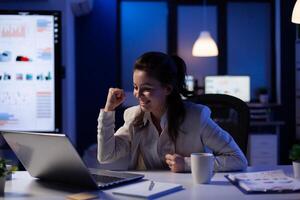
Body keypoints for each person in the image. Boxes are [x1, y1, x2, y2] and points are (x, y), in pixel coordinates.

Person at [97, 52, 248, 172]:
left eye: (147, 89)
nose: (138, 94)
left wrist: (187, 164)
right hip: (148, 194)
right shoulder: (134, 117)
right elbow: (106, 156)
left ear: (167, 89)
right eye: (136, 87)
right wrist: (109, 110)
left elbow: (238, 159)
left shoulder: (196, 117)